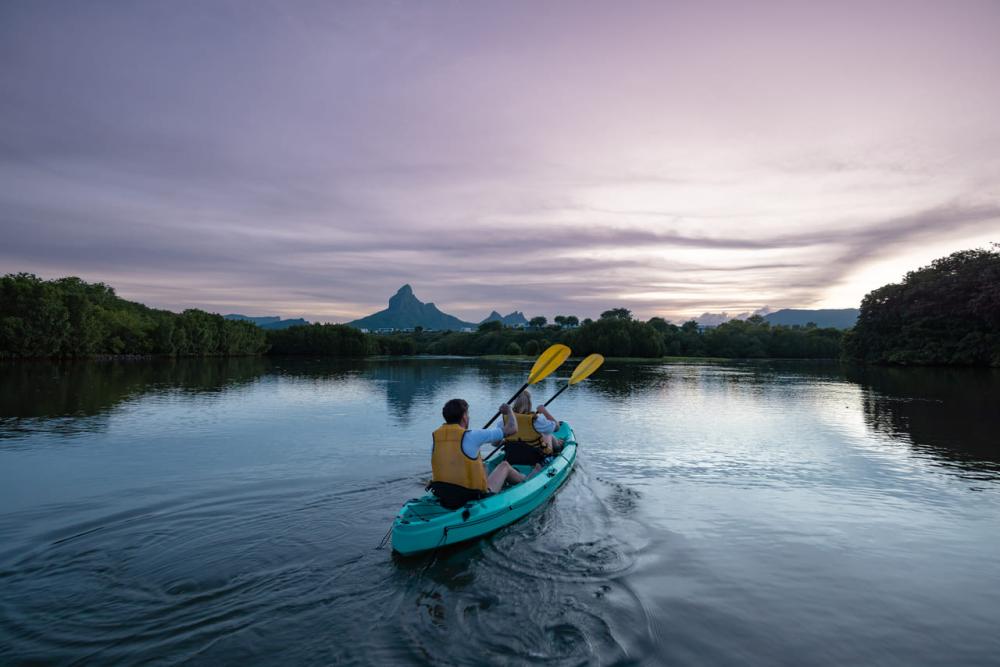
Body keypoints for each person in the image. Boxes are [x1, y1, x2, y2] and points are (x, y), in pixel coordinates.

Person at [429, 398, 527, 510]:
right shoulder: (472, 435)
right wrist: (509, 410)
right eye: (468, 414)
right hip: (470, 496)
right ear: (464, 417)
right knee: (504, 466)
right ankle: (526, 479)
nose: (469, 417)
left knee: (483, 465)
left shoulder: (436, 439)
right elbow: (512, 429)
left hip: (443, 493)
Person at [503, 390, 563, 467]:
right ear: (530, 403)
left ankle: (558, 442)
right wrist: (544, 411)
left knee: (541, 432)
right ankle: (558, 446)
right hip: (535, 459)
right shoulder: (535, 420)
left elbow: (495, 443)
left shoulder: (505, 420)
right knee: (547, 434)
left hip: (511, 458)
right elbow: (557, 427)